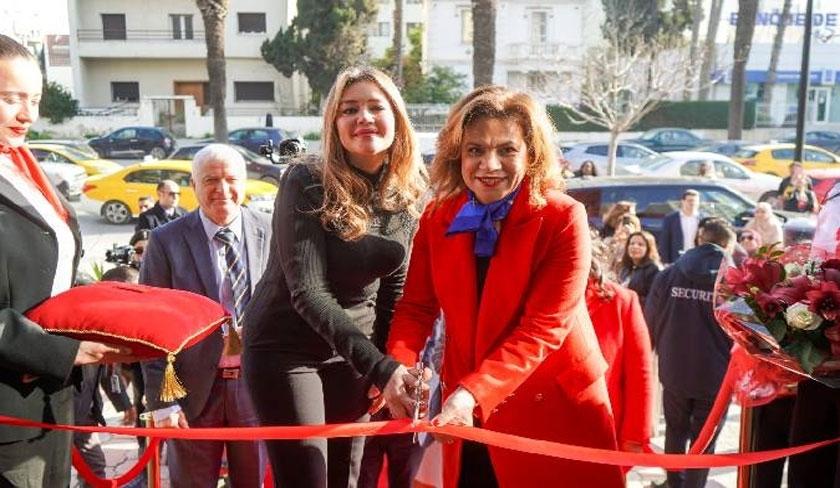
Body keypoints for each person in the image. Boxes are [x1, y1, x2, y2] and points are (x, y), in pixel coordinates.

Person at [384, 85, 624, 487]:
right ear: (456, 153)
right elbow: (416, 307)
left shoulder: (564, 217)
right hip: (469, 407)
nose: (488, 164)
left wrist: (469, 394)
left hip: (553, 405)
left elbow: (543, 329)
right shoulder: (438, 217)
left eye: (506, 150)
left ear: (531, 154)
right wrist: (399, 366)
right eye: (475, 150)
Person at [241, 66, 427, 488]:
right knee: (310, 477)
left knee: (348, 479)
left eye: (375, 107)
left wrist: (387, 363)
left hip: (353, 354)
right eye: (350, 109)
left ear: (396, 118)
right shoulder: (306, 179)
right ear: (334, 124)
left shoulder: (409, 192)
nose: (364, 117)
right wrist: (380, 368)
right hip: (286, 350)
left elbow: (394, 293)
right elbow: (307, 291)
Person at [0, 34, 126, 486]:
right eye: (10, 98)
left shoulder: (23, 166)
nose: (28, 114)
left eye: (33, 99)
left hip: (52, 400)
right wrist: (62, 351)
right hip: (9, 409)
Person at [140, 144, 272, 487]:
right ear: (194, 185)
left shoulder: (272, 231)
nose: (222, 189)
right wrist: (162, 402)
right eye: (211, 179)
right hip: (192, 393)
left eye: (231, 179)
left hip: (256, 388)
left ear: (245, 182)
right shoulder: (166, 240)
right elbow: (149, 328)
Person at [645, 218, 735, 488]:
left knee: (675, 430)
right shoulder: (731, 281)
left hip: (674, 366)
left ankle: (675, 483)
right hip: (716, 372)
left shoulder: (669, 274)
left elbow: (650, 318)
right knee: (704, 438)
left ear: (699, 239)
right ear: (728, 245)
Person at [73, 266, 138, 484]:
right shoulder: (75, 309)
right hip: (56, 414)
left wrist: (125, 403)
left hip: (83, 416)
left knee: (94, 469)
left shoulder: (108, 320)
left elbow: (107, 372)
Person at [587, 252, 654, 459]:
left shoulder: (622, 301)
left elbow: (640, 374)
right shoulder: (533, 294)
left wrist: (634, 438)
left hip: (602, 436)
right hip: (539, 439)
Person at [618, 230, 662, 310]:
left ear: (648, 248)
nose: (635, 247)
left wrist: (630, 296)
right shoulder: (625, 268)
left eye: (640, 245)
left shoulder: (654, 269)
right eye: (632, 244)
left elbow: (654, 299)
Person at [658, 189, 702, 264]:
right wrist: (666, 262)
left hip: (698, 259)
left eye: (695, 201)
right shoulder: (671, 219)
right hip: (677, 260)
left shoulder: (703, 219)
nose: (692, 203)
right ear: (683, 201)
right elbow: (664, 242)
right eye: (690, 200)